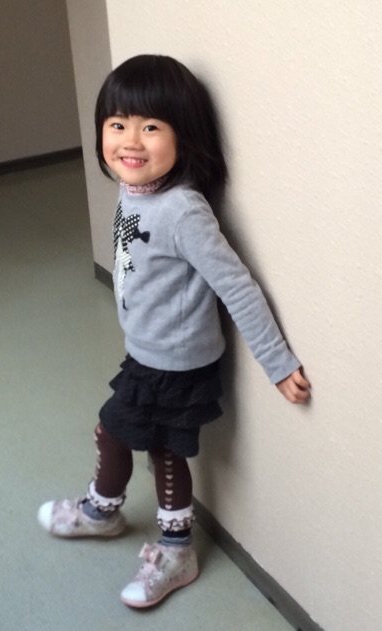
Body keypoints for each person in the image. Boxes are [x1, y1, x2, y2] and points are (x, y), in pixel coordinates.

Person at [37, 54, 311, 609]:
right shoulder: (133, 190)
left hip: (177, 364)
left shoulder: (182, 211)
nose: (130, 142)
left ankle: (165, 545)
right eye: (118, 124)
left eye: (151, 128)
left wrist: (278, 363)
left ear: (184, 138)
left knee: (148, 446)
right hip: (147, 353)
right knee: (125, 437)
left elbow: (237, 286)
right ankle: (106, 513)